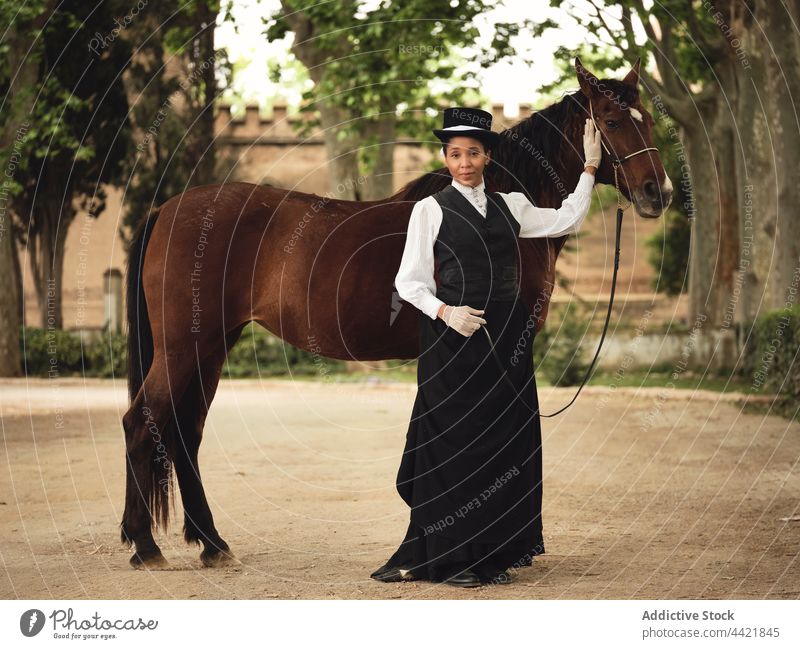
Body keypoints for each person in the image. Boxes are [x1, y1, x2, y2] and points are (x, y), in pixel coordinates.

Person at [371, 106, 602, 588]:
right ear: (445, 158)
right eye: (455, 154)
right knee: (455, 442)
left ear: (487, 156)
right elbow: (408, 283)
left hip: (507, 338)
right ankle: (448, 555)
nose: (464, 162)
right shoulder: (429, 210)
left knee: (501, 441)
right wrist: (445, 313)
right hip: (452, 339)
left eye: (473, 153)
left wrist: (590, 167)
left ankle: (489, 551)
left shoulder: (512, 205)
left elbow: (567, 218)